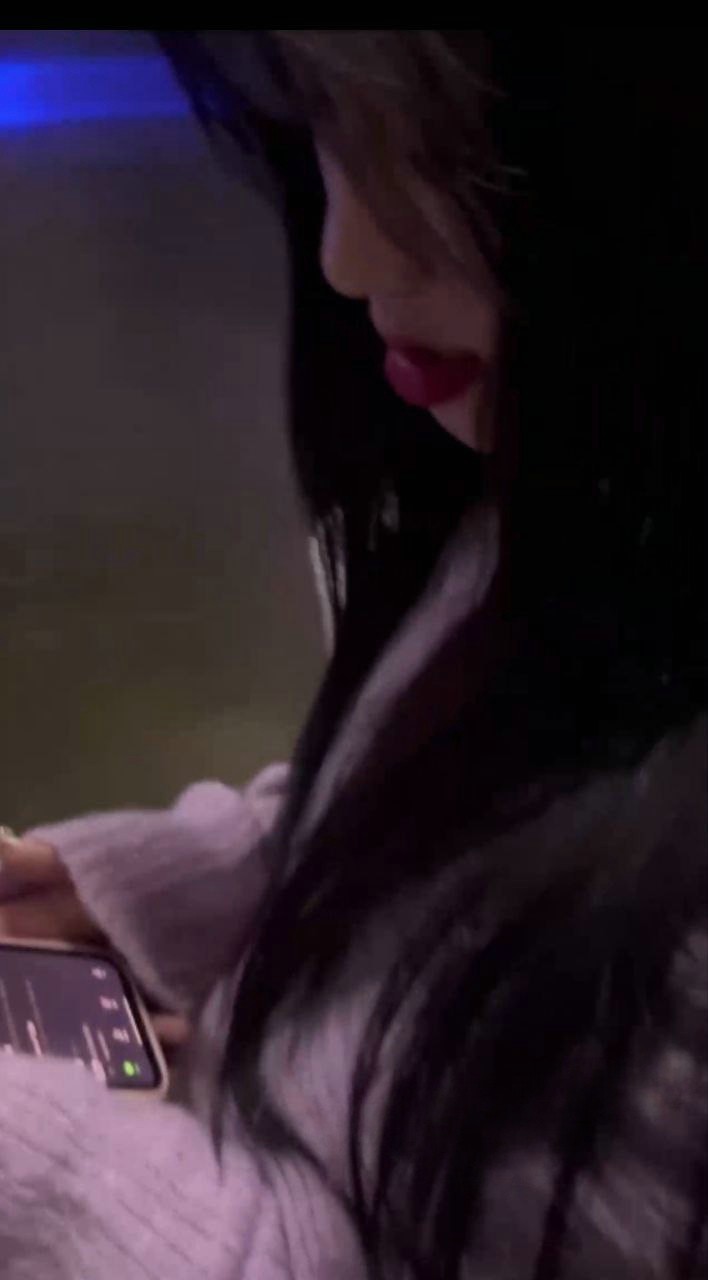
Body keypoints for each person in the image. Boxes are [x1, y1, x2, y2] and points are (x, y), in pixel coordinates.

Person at [0, 28, 705, 1280]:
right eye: (328, 129)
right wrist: (136, 886)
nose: (348, 255)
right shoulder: (566, 503)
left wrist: (36, 1150)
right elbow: (470, 796)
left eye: (450, 154)